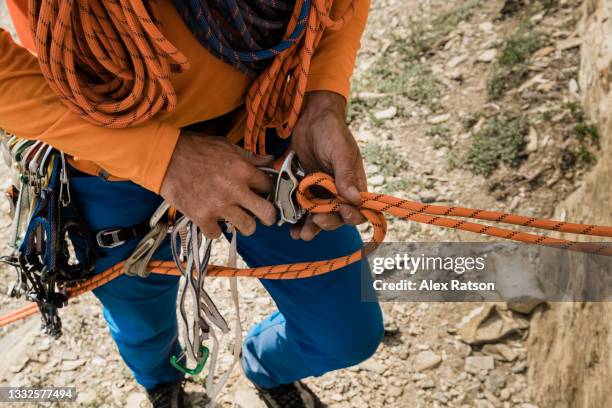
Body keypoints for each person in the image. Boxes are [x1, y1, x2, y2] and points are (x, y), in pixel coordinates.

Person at [0, 1, 383, 407]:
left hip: (265, 128)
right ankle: (162, 383)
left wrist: (321, 98)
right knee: (141, 326)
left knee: (344, 334)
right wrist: (161, 157)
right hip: (103, 165)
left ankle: (267, 368)